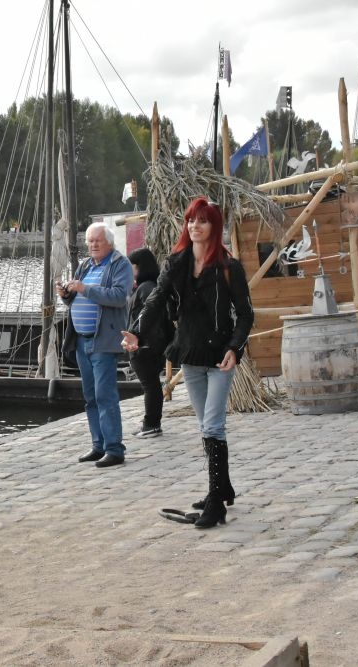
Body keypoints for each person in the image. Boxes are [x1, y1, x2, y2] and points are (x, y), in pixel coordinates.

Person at [122, 197, 254, 529]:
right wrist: (137, 331)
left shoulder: (229, 268)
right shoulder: (176, 264)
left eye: (202, 220)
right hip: (189, 354)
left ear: (214, 226)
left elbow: (245, 314)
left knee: (213, 426)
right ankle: (222, 488)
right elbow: (155, 300)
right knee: (205, 426)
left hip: (221, 356)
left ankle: (216, 505)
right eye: (191, 220)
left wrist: (235, 348)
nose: (195, 226)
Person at [57, 222, 133, 468]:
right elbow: (78, 298)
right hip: (82, 340)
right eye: (89, 241)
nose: (93, 245)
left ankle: (114, 449)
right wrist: (67, 295)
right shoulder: (86, 265)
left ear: (109, 242)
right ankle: (98, 445)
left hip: (103, 340)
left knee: (104, 394)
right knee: (90, 396)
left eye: (97, 241)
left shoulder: (120, 264)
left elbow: (119, 297)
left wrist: (84, 288)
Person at [126, 249, 174, 439]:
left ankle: (152, 424)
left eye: (132, 267)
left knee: (150, 385)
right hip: (149, 343)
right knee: (151, 384)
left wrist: (140, 339)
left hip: (145, 345)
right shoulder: (149, 286)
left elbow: (150, 316)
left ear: (139, 267)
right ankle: (151, 423)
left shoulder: (146, 288)